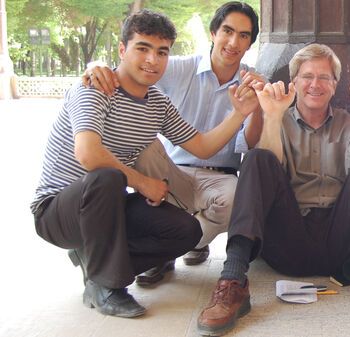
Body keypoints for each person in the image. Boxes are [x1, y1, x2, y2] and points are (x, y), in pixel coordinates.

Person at [31, 9, 258, 318]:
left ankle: (96, 261)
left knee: (186, 230)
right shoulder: (95, 88)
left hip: (108, 209)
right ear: (122, 50)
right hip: (58, 210)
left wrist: (239, 114)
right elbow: (89, 155)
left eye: (161, 52)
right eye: (143, 48)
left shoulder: (156, 103)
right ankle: (105, 284)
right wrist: (142, 182)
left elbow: (202, 146)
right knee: (108, 175)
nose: (153, 60)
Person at [196, 44, 350, 336]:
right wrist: (274, 116)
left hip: (342, 243)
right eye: (306, 76)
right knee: (256, 157)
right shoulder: (278, 119)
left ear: (334, 85)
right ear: (294, 83)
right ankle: (233, 282)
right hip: (288, 241)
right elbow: (267, 171)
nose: (315, 84)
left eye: (323, 77)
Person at [82, 1, 263, 286]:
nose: (233, 41)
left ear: (251, 43)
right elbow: (134, 68)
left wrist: (258, 107)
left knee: (237, 198)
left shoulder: (251, 82)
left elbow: (249, 143)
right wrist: (97, 67)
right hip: (171, 170)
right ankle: (164, 249)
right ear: (213, 32)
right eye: (227, 31)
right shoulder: (178, 68)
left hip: (219, 179)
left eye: (243, 35)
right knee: (147, 144)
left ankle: (174, 246)